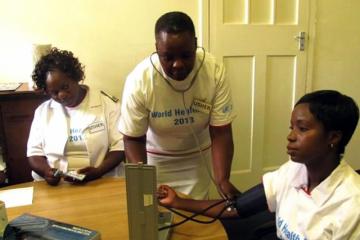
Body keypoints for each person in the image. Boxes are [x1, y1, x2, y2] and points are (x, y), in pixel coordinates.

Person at [158, 90, 360, 239]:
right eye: (292, 127)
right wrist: (178, 202)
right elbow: (237, 207)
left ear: (333, 137)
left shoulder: (351, 204)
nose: (290, 137)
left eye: (302, 129)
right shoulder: (294, 170)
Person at [118, 11, 238, 199]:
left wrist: (222, 180)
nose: (178, 64)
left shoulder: (213, 71)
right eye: (168, 57)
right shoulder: (140, 80)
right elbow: (133, 138)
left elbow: (221, 131)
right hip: (155, 161)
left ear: (195, 44)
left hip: (196, 159)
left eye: (186, 55)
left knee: (197, 218)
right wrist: (143, 183)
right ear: (157, 48)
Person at [27, 48, 125, 186]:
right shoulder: (43, 112)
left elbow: (120, 147)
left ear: (76, 77)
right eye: (54, 92)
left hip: (101, 179)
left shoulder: (108, 105)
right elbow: (34, 153)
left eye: (65, 87)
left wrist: (98, 171)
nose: (61, 95)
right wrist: (46, 171)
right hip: (58, 186)